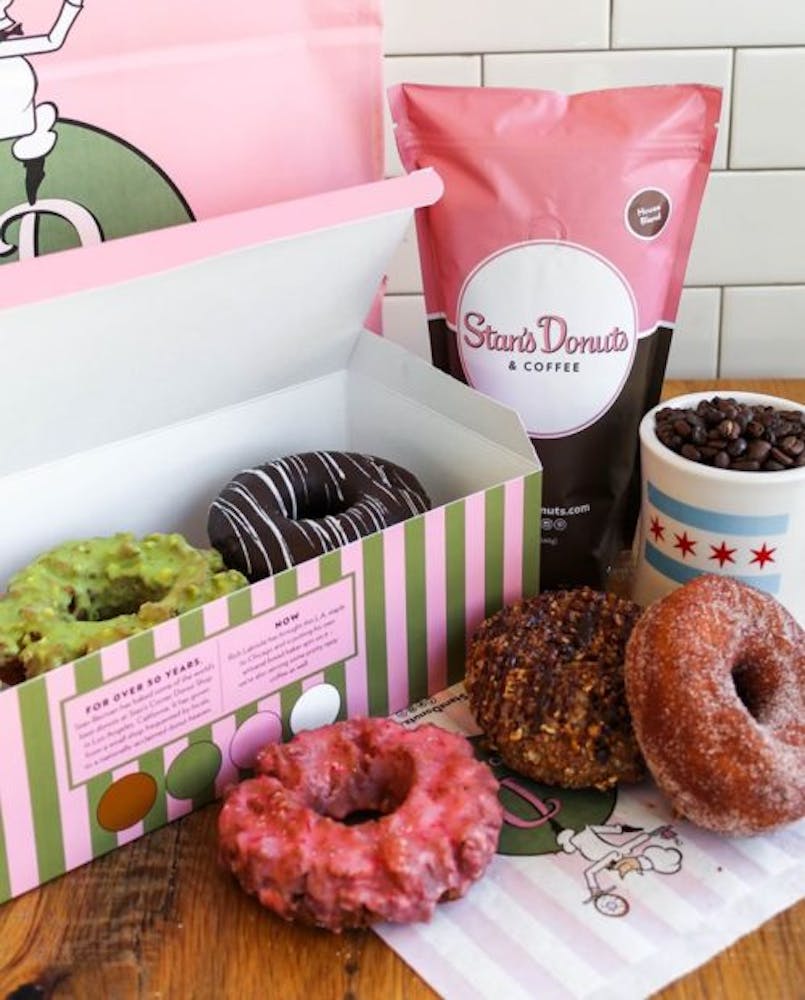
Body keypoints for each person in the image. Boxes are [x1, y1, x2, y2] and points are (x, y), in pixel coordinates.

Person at [0, 0, 85, 201]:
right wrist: (72, 6)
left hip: (19, 110)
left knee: (42, 116)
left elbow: (51, 42)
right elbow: (51, 41)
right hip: (12, 113)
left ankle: (33, 164)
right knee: (41, 118)